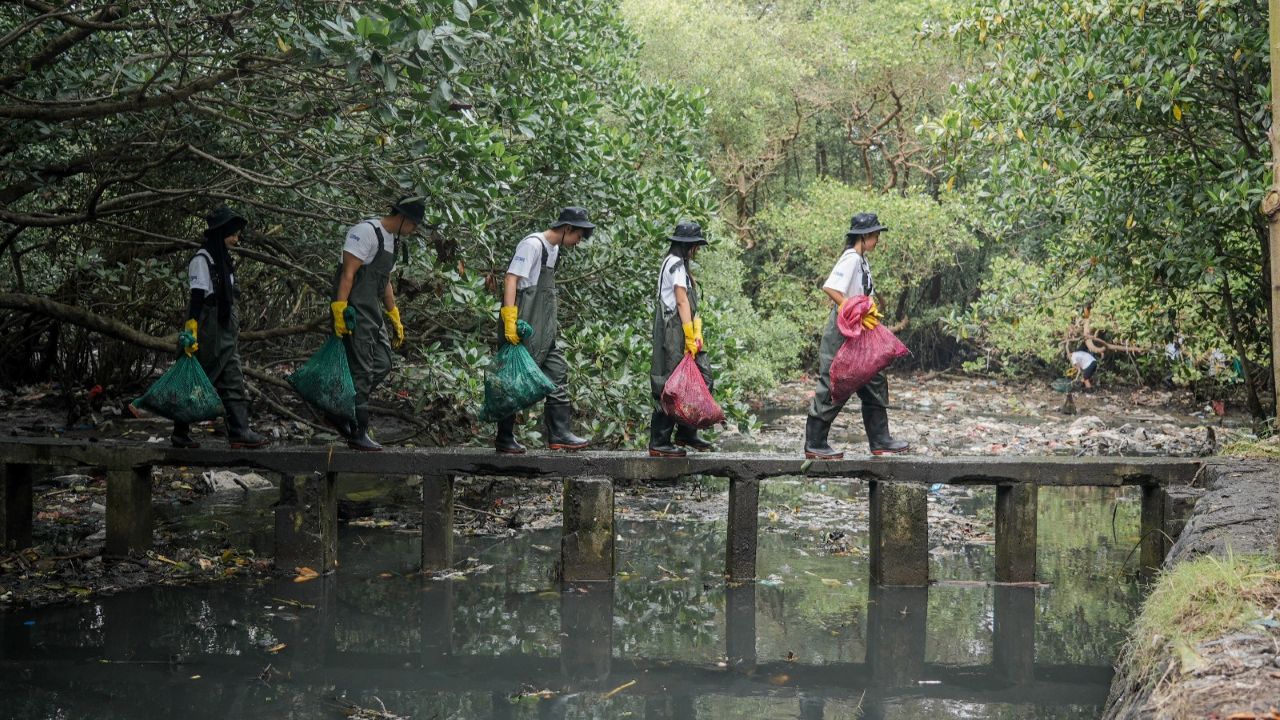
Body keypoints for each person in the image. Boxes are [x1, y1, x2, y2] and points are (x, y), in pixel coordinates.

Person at [803, 212, 910, 460]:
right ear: (863, 236)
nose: (878, 240)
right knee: (834, 379)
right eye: (875, 236)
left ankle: (880, 440)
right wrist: (851, 308)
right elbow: (830, 287)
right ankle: (815, 442)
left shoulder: (861, 259)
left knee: (874, 376)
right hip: (844, 329)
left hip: (860, 328)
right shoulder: (851, 258)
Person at [495, 207, 595, 454]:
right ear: (566, 229)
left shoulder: (555, 251)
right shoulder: (533, 245)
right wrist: (510, 320)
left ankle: (559, 434)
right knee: (513, 379)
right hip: (523, 323)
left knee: (558, 370)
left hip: (544, 328)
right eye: (578, 236)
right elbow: (511, 279)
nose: (578, 242)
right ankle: (504, 437)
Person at [172, 206, 269, 449]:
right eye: (233, 234)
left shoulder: (224, 260)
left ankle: (239, 430)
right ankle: (180, 432)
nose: (237, 239)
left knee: (233, 377)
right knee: (199, 379)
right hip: (207, 331)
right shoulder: (202, 260)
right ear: (220, 233)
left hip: (225, 330)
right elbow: (197, 298)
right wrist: (191, 330)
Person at [330, 196, 421, 451]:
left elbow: (386, 280)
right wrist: (340, 308)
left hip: (373, 310)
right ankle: (358, 432)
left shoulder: (392, 240)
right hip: (354, 308)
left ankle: (339, 408)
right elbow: (348, 273)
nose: (414, 231)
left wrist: (394, 315)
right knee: (361, 369)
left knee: (382, 362)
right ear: (403, 218)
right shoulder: (365, 232)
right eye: (414, 225)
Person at [648, 221, 714, 457]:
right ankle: (659, 441)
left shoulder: (678, 264)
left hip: (682, 328)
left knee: (700, 378)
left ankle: (687, 432)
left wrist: (695, 332)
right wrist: (688, 334)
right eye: (695, 245)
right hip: (673, 329)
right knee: (672, 383)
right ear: (689, 246)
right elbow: (681, 300)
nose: (696, 250)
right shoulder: (675, 265)